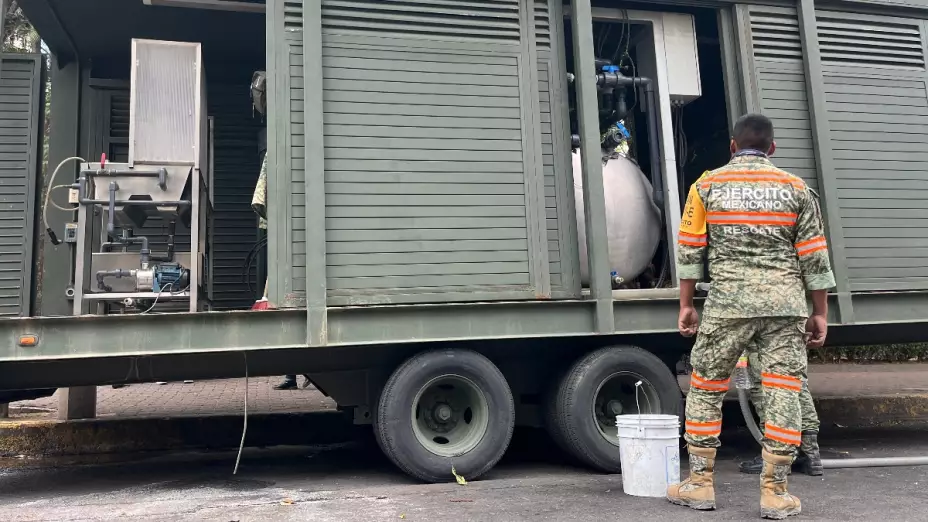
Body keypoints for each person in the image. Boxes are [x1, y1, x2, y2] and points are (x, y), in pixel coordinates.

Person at [666, 113, 835, 519]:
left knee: (706, 387)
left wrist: (686, 305)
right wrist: (820, 313)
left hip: (728, 305)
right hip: (784, 307)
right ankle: (776, 492)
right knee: (783, 390)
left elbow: (690, 249)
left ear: (732, 146)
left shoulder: (705, 186)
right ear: (772, 148)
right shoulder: (797, 190)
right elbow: (814, 257)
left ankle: (700, 484)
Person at [738, 345, 823, 476]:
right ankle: (810, 455)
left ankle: (778, 457)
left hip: (766, 343)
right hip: (793, 342)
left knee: (765, 387)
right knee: (797, 385)